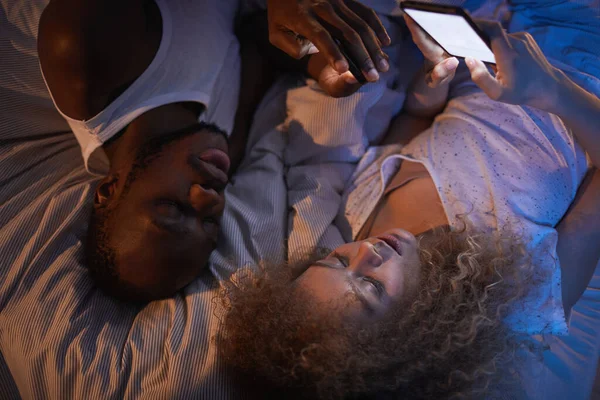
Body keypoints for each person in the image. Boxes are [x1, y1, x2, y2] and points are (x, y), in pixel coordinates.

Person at [216, 15, 600, 399]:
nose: (366, 251)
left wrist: (434, 80)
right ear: (408, 341)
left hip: (501, 38)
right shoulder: (517, 298)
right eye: (369, 286)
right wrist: (551, 90)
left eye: (335, 260)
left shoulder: (358, 215)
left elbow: (417, 116)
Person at [37, 0, 392, 301]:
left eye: (174, 209)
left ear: (109, 190)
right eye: (208, 221)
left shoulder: (86, 50)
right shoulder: (221, 151)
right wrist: (324, 66)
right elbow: (258, 40)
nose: (209, 199)